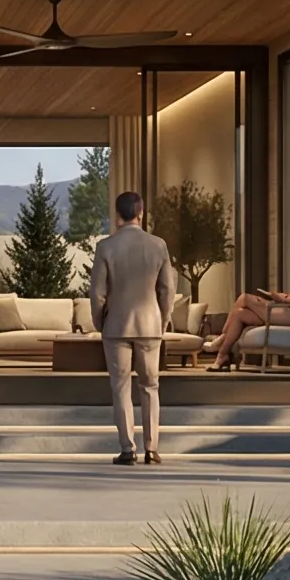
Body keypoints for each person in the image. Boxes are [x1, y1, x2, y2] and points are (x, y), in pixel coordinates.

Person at [87, 191, 174, 466]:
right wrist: (163, 319)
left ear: (117, 216)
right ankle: (152, 448)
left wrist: (100, 321)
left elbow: (97, 293)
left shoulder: (105, 247)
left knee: (121, 386)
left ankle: (128, 448)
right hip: (150, 325)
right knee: (151, 385)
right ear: (141, 212)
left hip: (117, 326)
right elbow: (168, 289)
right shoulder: (158, 245)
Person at [203, 232, 290, 369]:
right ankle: (222, 356)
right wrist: (284, 297)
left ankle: (222, 337)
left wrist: (284, 299)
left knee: (244, 298)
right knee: (240, 314)